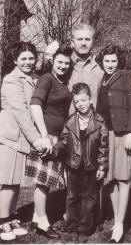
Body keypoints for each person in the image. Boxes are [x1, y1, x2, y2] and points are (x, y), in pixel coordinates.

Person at [25, 45, 72, 239]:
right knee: (43, 182)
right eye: (60, 62)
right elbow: (36, 105)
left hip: (56, 137)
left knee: (47, 181)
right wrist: (44, 136)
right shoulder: (46, 78)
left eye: (66, 63)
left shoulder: (61, 80)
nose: (63, 65)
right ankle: (44, 223)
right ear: (53, 61)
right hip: (47, 137)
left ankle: (37, 218)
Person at [0, 41, 45, 241]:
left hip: (22, 139)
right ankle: (2, 222)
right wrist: (36, 139)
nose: (28, 62)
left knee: (16, 181)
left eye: (31, 58)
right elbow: (21, 112)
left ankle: (10, 216)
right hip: (11, 137)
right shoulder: (11, 80)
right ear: (16, 61)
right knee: (8, 181)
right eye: (23, 58)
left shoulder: (34, 78)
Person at [96, 44, 131, 243]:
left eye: (114, 61)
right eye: (107, 61)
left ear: (118, 61)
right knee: (110, 179)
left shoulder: (127, 76)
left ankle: (120, 224)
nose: (111, 64)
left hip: (123, 134)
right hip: (106, 135)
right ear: (102, 62)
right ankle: (116, 219)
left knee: (123, 179)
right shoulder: (101, 80)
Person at [58, 83, 109, 243]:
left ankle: (85, 226)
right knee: (72, 196)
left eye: (83, 100)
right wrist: (54, 148)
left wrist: (102, 166)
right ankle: (72, 225)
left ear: (90, 100)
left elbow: (103, 146)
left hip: (91, 166)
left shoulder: (100, 122)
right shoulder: (70, 121)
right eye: (76, 102)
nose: (80, 104)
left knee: (89, 197)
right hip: (73, 165)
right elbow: (64, 141)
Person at [68, 23, 104, 108]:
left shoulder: (101, 65)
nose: (83, 43)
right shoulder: (64, 65)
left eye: (87, 39)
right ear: (72, 42)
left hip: (94, 119)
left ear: (93, 41)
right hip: (68, 120)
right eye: (80, 39)